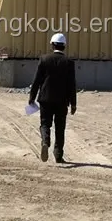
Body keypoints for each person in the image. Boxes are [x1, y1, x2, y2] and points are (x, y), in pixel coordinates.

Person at [28, 32, 77, 163]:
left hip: (45, 99)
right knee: (60, 128)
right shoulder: (69, 63)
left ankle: (45, 141)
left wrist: (32, 97)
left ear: (52, 45)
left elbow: (37, 80)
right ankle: (58, 155)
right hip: (62, 101)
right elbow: (72, 85)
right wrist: (73, 104)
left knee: (45, 124)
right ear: (64, 47)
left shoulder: (44, 59)